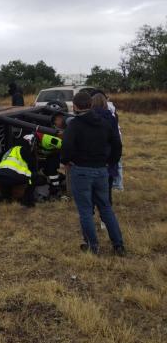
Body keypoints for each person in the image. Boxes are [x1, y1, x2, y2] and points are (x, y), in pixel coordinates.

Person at [61, 91, 125, 256]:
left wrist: (66, 161)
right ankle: (118, 245)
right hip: (102, 170)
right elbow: (117, 144)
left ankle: (92, 246)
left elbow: (66, 148)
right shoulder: (105, 123)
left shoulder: (74, 125)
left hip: (81, 171)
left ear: (74, 106)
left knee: (85, 210)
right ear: (90, 105)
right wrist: (111, 161)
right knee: (106, 208)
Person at [0, 134, 37, 207]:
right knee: (33, 177)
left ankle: (7, 198)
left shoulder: (9, 150)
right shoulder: (22, 149)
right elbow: (32, 165)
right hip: (12, 176)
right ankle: (27, 202)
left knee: (7, 178)